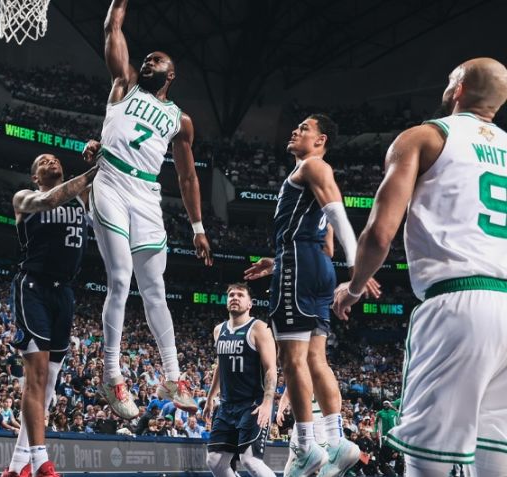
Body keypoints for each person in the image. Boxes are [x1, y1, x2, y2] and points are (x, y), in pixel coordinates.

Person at [332, 58, 507, 477]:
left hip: (457, 302)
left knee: (426, 462)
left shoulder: (424, 137)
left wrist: (353, 288)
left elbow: (378, 234)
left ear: (459, 87)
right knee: (494, 461)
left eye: (450, 78)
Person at [90, 0, 212, 420]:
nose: (148, 60)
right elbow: (112, 27)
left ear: (171, 75)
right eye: (147, 57)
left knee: (155, 289)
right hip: (110, 182)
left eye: (157, 59)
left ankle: (173, 375)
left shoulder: (181, 120)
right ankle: (111, 373)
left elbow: (188, 178)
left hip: (146, 196)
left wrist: (197, 226)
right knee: (120, 278)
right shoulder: (122, 84)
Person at [244, 114, 380, 477]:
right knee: (317, 359)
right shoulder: (312, 173)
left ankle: (306, 446)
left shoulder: (313, 165)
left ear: (321, 141)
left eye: (304, 128)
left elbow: (337, 214)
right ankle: (335, 440)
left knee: (293, 361)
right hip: (314, 266)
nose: (295, 130)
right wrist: (279, 264)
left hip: (300, 266)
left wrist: (358, 268)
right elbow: (326, 241)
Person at [2, 153, 98, 477]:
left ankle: (16, 467)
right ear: (34, 176)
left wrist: (99, 150)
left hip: (65, 292)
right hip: (34, 287)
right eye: (42, 160)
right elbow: (53, 198)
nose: (50, 161)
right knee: (37, 375)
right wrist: (93, 171)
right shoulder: (25, 198)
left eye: (54, 159)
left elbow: (107, 176)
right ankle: (41, 460)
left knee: (50, 383)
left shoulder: (81, 198)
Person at [202, 283, 277, 477]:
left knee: (250, 460)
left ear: (250, 303)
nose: (235, 297)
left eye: (240, 295)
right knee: (215, 461)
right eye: (231, 295)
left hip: (253, 404)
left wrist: (268, 402)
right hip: (227, 406)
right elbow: (221, 365)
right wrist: (211, 398)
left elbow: (271, 368)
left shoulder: (259, 328)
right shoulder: (219, 330)